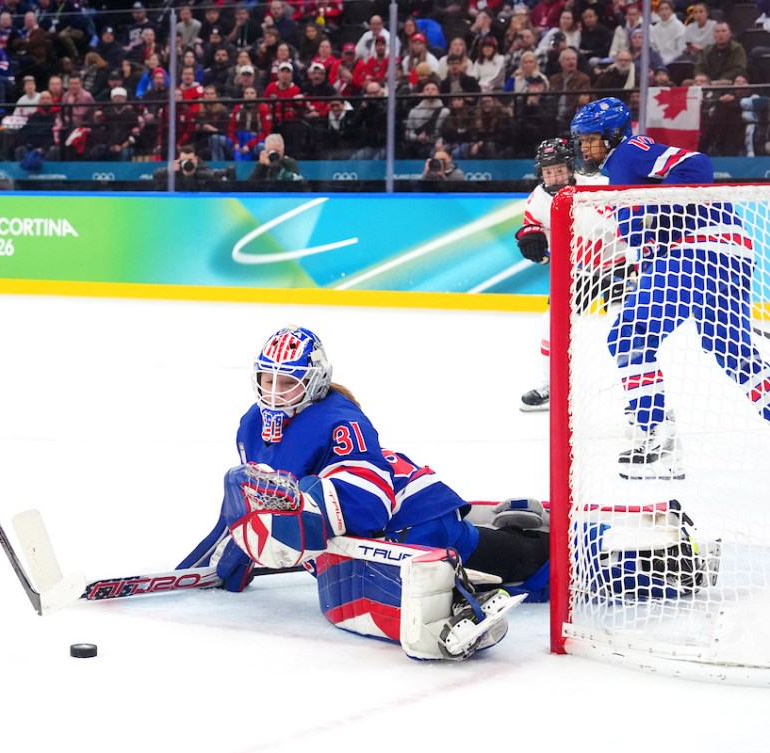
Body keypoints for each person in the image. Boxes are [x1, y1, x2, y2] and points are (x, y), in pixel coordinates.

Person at [176, 326, 547, 661]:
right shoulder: (251, 424)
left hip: (413, 520)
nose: (274, 392)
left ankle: (542, 550)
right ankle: (514, 544)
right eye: (266, 379)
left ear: (315, 381)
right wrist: (236, 544)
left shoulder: (341, 422)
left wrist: (299, 508)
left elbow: (367, 509)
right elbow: (263, 498)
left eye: (287, 382)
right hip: (386, 530)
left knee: (514, 563)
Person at [571, 97, 770, 480]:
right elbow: (647, 239)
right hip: (727, 254)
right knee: (734, 355)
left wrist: (664, 208)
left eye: (590, 139)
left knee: (629, 336)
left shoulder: (629, 152)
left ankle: (658, 440)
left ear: (612, 136)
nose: (584, 147)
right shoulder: (618, 176)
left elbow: (697, 165)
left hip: (698, 250)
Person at [513, 137, 612, 412]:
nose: (554, 176)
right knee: (551, 325)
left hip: (618, 268)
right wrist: (530, 238)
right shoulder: (539, 198)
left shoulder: (599, 187)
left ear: (571, 167)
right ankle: (552, 386)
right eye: (548, 171)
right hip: (577, 272)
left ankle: (636, 395)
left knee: (624, 331)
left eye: (559, 169)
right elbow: (532, 226)